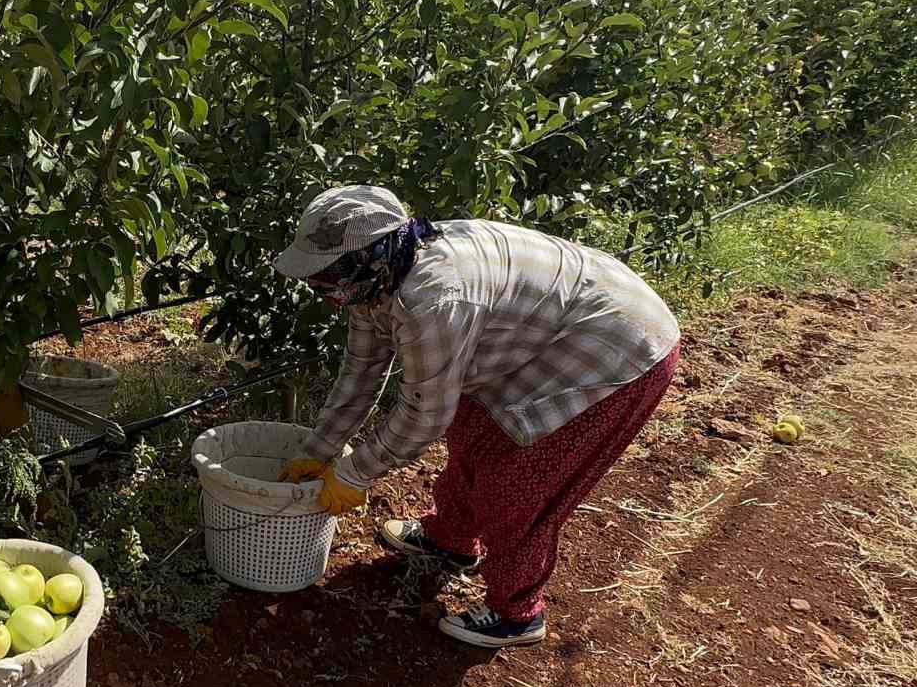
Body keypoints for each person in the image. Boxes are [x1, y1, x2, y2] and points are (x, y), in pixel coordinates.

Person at [275, 186, 680, 648]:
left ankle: (517, 613)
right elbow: (361, 371)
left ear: (367, 259)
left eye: (327, 275)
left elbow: (425, 413)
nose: (321, 287)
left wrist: (354, 473)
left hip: (615, 347)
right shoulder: (375, 281)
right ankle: (450, 540)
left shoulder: (433, 299)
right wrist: (319, 448)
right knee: (473, 430)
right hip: (552, 333)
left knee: (520, 487)